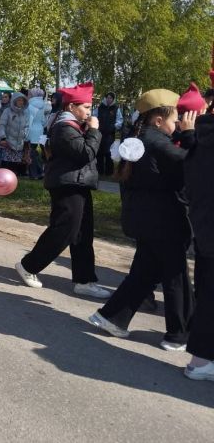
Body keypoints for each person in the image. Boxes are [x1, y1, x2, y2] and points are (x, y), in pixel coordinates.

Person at [89, 89, 196, 350]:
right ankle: (178, 334)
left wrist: (181, 134)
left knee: (145, 273)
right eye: (175, 119)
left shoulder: (141, 138)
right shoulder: (157, 142)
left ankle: (112, 317)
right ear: (158, 120)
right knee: (175, 276)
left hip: (147, 219)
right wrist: (191, 136)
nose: (179, 123)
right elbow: (190, 164)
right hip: (163, 222)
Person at [15, 82, 110, 298]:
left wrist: (90, 129)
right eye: (85, 107)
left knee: (83, 234)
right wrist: (94, 130)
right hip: (67, 185)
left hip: (78, 183)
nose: (89, 111)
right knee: (64, 230)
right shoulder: (64, 127)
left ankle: (84, 280)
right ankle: (28, 266)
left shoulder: (74, 126)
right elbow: (86, 153)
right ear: (71, 107)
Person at [183, 106, 214, 381]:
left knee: (206, 291)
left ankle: (201, 358)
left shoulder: (202, 134)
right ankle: (201, 361)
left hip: (204, 225)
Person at [0, 92, 31, 175]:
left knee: (16, 169)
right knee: (7, 168)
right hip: (8, 144)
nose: (21, 102)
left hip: (19, 145)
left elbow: (26, 126)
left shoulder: (24, 113)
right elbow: (1, 125)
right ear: (14, 101)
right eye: (19, 100)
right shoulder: (7, 111)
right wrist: (3, 138)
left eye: (22, 100)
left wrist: (26, 136)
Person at [93, 92, 123, 176]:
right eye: (108, 97)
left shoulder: (116, 109)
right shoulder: (99, 108)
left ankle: (109, 172)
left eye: (111, 98)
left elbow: (119, 120)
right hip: (100, 133)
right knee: (99, 153)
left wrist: (114, 127)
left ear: (113, 99)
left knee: (109, 153)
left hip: (110, 134)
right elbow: (94, 117)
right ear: (105, 98)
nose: (109, 99)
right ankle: (99, 171)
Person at [26, 88, 51, 179]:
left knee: (31, 153)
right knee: (36, 152)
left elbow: (28, 120)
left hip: (31, 131)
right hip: (40, 131)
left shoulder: (29, 105)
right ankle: (40, 171)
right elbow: (44, 121)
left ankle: (34, 174)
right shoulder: (43, 105)